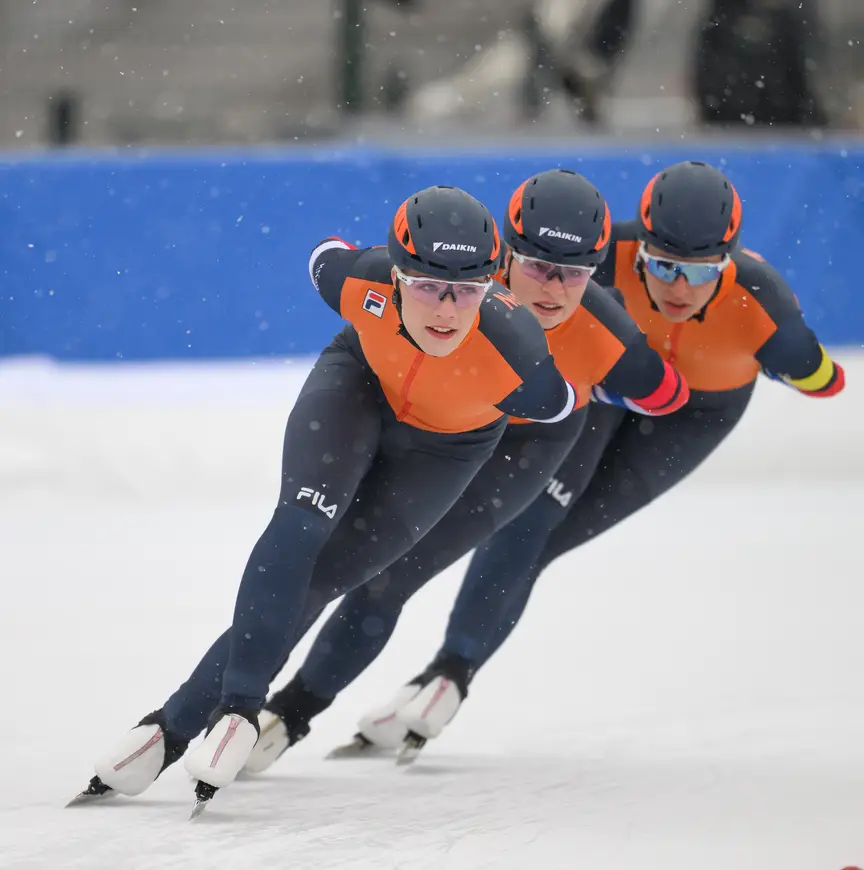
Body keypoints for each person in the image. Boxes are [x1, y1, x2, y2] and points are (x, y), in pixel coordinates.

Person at [252, 160, 846, 765]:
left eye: (700, 272)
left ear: (729, 263)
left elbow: (826, 381)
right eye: (661, 263)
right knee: (486, 538)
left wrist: (800, 360)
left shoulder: (763, 305)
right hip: (600, 396)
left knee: (542, 539)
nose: (677, 287)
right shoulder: (596, 256)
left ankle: (451, 671)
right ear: (636, 243)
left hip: (693, 416)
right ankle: (310, 703)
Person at [72, 185, 583, 812]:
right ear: (394, 275)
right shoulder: (355, 280)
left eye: (467, 289)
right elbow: (324, 254)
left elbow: (558, 407)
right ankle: (233, 711)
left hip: (446, 451)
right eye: (425, 285)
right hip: (358, 388)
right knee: (300, 523)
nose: (446, 309)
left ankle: (171, 724)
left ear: (490, 283)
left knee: (326, 580)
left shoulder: (520, 351)